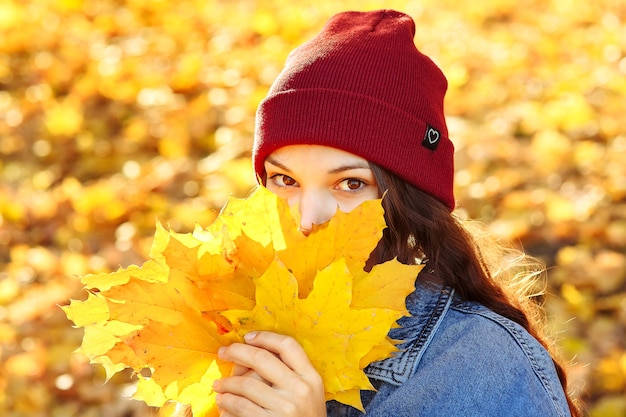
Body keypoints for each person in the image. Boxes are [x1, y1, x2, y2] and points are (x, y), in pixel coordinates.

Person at [174, 9, 581, 417]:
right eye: (285, 180)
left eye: (350, 183)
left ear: (406, 201)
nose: (308, 217)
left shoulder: (479, 365)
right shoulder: (227, 327)